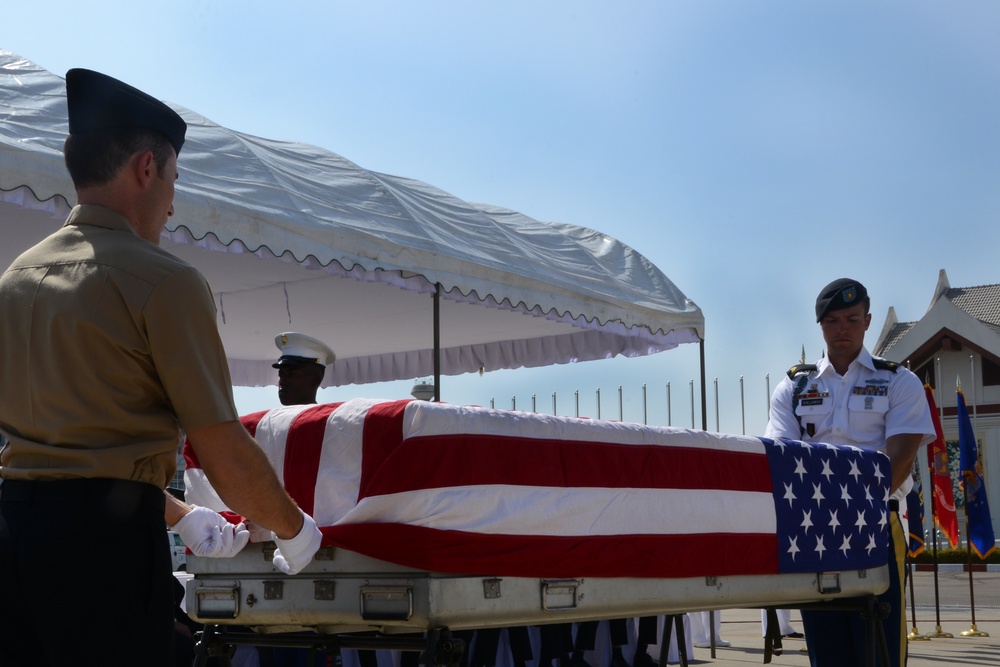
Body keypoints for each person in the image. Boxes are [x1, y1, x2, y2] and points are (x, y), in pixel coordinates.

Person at [0, 68, 322, 667]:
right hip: (104, 558)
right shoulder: (164, 281)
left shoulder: (13, 281)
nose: (173, 201)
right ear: (147, 168)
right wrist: (294, 528)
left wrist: (177, 512)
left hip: (13, 540)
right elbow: (221, 447)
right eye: (175, 177)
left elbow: (61, 457)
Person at [765, 278, 935, 667]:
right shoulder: (793, 387)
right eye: (833, 321)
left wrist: (854, 509)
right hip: (813, 527)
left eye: (852, 319)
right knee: (827, 647)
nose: (843, 329)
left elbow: (902, 459)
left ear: (868, 321)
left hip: (874, 522)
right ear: (820, 325)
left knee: (880, 646)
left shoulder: (898, 381)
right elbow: (783, 457)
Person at [272, 332, 336, 406]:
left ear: (316, 379)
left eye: (291, 374)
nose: (282, 382)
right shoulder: (271, 417)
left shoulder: (328, 417)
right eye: (281, 375)